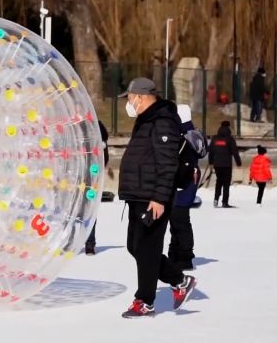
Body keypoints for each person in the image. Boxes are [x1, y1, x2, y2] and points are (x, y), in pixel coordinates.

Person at [117, 78, 197, 318]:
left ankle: (145, 300)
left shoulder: (162, 121)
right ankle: (180, 281)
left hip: (152, 196)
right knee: (136, 246)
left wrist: (160, 198)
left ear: (140, 97)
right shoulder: (147, 119)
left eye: (130, 98)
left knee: (147, 248)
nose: (128, 103)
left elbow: (167, 163)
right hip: (139, 194)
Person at [168, 104, 204, 271]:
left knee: (180, 221)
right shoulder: (192, 134)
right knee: (178, 220)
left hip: (182, 184)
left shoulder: (183, 136)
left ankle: (184, 256)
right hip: (187, 183)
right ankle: (176, 253)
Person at [84, 120, 110, 256]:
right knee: (72, 212)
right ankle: (70, 242)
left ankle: (90, 243)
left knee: (90, 211)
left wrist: (96, 173)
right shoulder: (73, 126)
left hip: (91, 177)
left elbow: (104, 157)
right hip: (74, 178)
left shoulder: (97, 128)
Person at [209, 120, 242, 208]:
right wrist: (238, 163)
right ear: (228, 127)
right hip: (226, 165)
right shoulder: (230, 139)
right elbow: (235, 152)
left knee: (219, 182)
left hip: (217, 164)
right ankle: (225, 202)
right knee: (226, 184)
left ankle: (216, 200)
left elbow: (211, 151)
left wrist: (211, 162)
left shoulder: (214, 138)